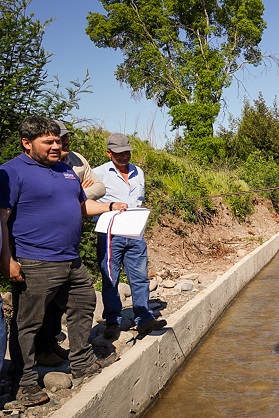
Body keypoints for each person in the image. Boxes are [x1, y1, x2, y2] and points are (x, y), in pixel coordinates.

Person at [0, 117, 124, 406]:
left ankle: (82, 362)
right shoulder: (11, 172)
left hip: (71, 259)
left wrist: (109, 207)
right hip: (35, 261)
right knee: (28, 324)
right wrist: (6, 260)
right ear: (27, 143)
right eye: (48, 142)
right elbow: (2, 220)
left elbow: (81, 205)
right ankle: (24, 382)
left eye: (58, 140)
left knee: (83, 306)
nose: (57, 146)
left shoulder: (66, 171)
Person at [34, 120, 108, 368]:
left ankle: (60, 348)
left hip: (68, 246)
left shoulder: (76, 160)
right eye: (55, 139)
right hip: (41, 251)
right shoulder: (38, 166)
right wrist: (73, 191)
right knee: (39, 309)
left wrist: (77, 193)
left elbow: (99, 186)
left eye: (64, 139)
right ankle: (34, 363)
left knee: (75, 301)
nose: (61, 144)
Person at [94, 133, 167, 341]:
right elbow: (85, 201)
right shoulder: (98, 174)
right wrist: (108, 210)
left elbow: (139, 200)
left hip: (135, 234)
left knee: (140, 277)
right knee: (110, 278)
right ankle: (112, 321)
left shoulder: (138, 172)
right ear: (109, 153)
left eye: (127, 152)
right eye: (119, 153)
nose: (124, 156)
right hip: (111, 235)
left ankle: (144, 318)